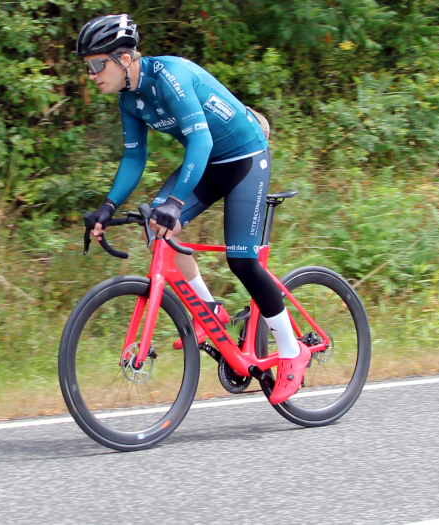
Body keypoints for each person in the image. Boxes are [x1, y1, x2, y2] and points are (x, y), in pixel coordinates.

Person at [77, 13, 309, 404]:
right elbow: (134, 157)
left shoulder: (171, 76)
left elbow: (200, 143)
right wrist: (107, 205)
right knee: (156, 226)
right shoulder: (129, 99)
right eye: (87, 67)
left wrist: (176, 201)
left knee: (242, 261)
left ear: (125, 57)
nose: (92, 74)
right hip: (208, 165)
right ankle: (210, 311)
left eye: (98, 64)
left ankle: (291, 349)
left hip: (244, 159)